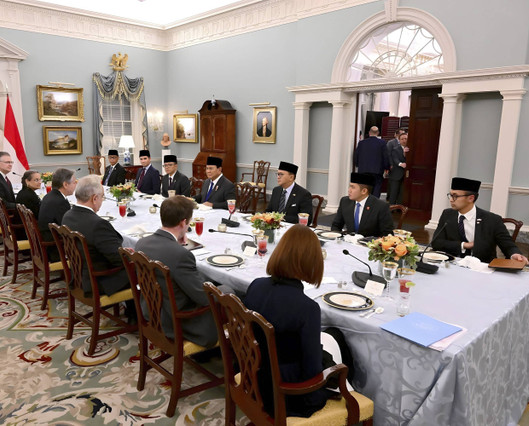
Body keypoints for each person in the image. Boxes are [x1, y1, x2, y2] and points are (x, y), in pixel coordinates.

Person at [244, 225, 346, 418]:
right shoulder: (307, 308)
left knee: (334, 336)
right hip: (286, 394)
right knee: (337, 351)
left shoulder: (256, 285)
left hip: (254, 378)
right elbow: (312, 371)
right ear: (312, 261)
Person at [135, 196, 234, 347]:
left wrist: (176, 243)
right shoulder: (181, 255)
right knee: (230, 291)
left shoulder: (142, 243)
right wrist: (226, 289)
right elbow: (203, 298)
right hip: (177, 323)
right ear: (183, 222)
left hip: (150, 312)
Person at [432, 177, 529, 264]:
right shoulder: (447, 214)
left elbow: (508, 245)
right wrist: (464, 245)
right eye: (450, 195)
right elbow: (436, 243)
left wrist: (514, 254)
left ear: (471, 198)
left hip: (482, 268)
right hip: (452, 264)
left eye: (455, 196)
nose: (451, 200)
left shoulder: (492, 220)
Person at [62, 175, 130, 296]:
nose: (101, 201)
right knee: (144, 269)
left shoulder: (67, 215)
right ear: (94, 198)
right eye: (102, 197)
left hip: (79, 275)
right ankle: (135, 314)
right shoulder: (98, 225)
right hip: (97, 281)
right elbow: (119, 260)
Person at [331, 172, 394, 237]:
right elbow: (336, 225)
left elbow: (387, 234)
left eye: (353, 187)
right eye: (350, 186)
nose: (349, 190)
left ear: (364, 191)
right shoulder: (345, 201)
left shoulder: (381, 206)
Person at [38, 168, 77, 260]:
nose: (76, 185)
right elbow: (68, 227)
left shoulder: (50, 195)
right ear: (65, 184)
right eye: (74, 182)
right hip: (55, 247)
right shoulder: (60, 202)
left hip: (48, 238)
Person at [354, 126, 389, 198]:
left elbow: (356, 156)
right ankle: (373, 208)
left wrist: (357, 165)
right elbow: (385, 157)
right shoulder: (382, 143)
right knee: (375, 192)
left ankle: (364, 207)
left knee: (364, 191)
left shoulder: (361, 143)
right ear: (378, 133)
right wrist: (387, 167)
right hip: (377, 172)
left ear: (369, 133)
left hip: (363, 171)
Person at [387, 132, 408, 204]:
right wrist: (400, 164)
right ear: (399, 140)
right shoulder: (395, 149)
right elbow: (395, 159)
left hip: (406, 175)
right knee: (394, 192)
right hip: (396, 174)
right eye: (402, 139)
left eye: (406, 139)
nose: (404, 140)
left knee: (402, 193)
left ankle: (399, 208)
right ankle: (391, 208)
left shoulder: (410, 149)